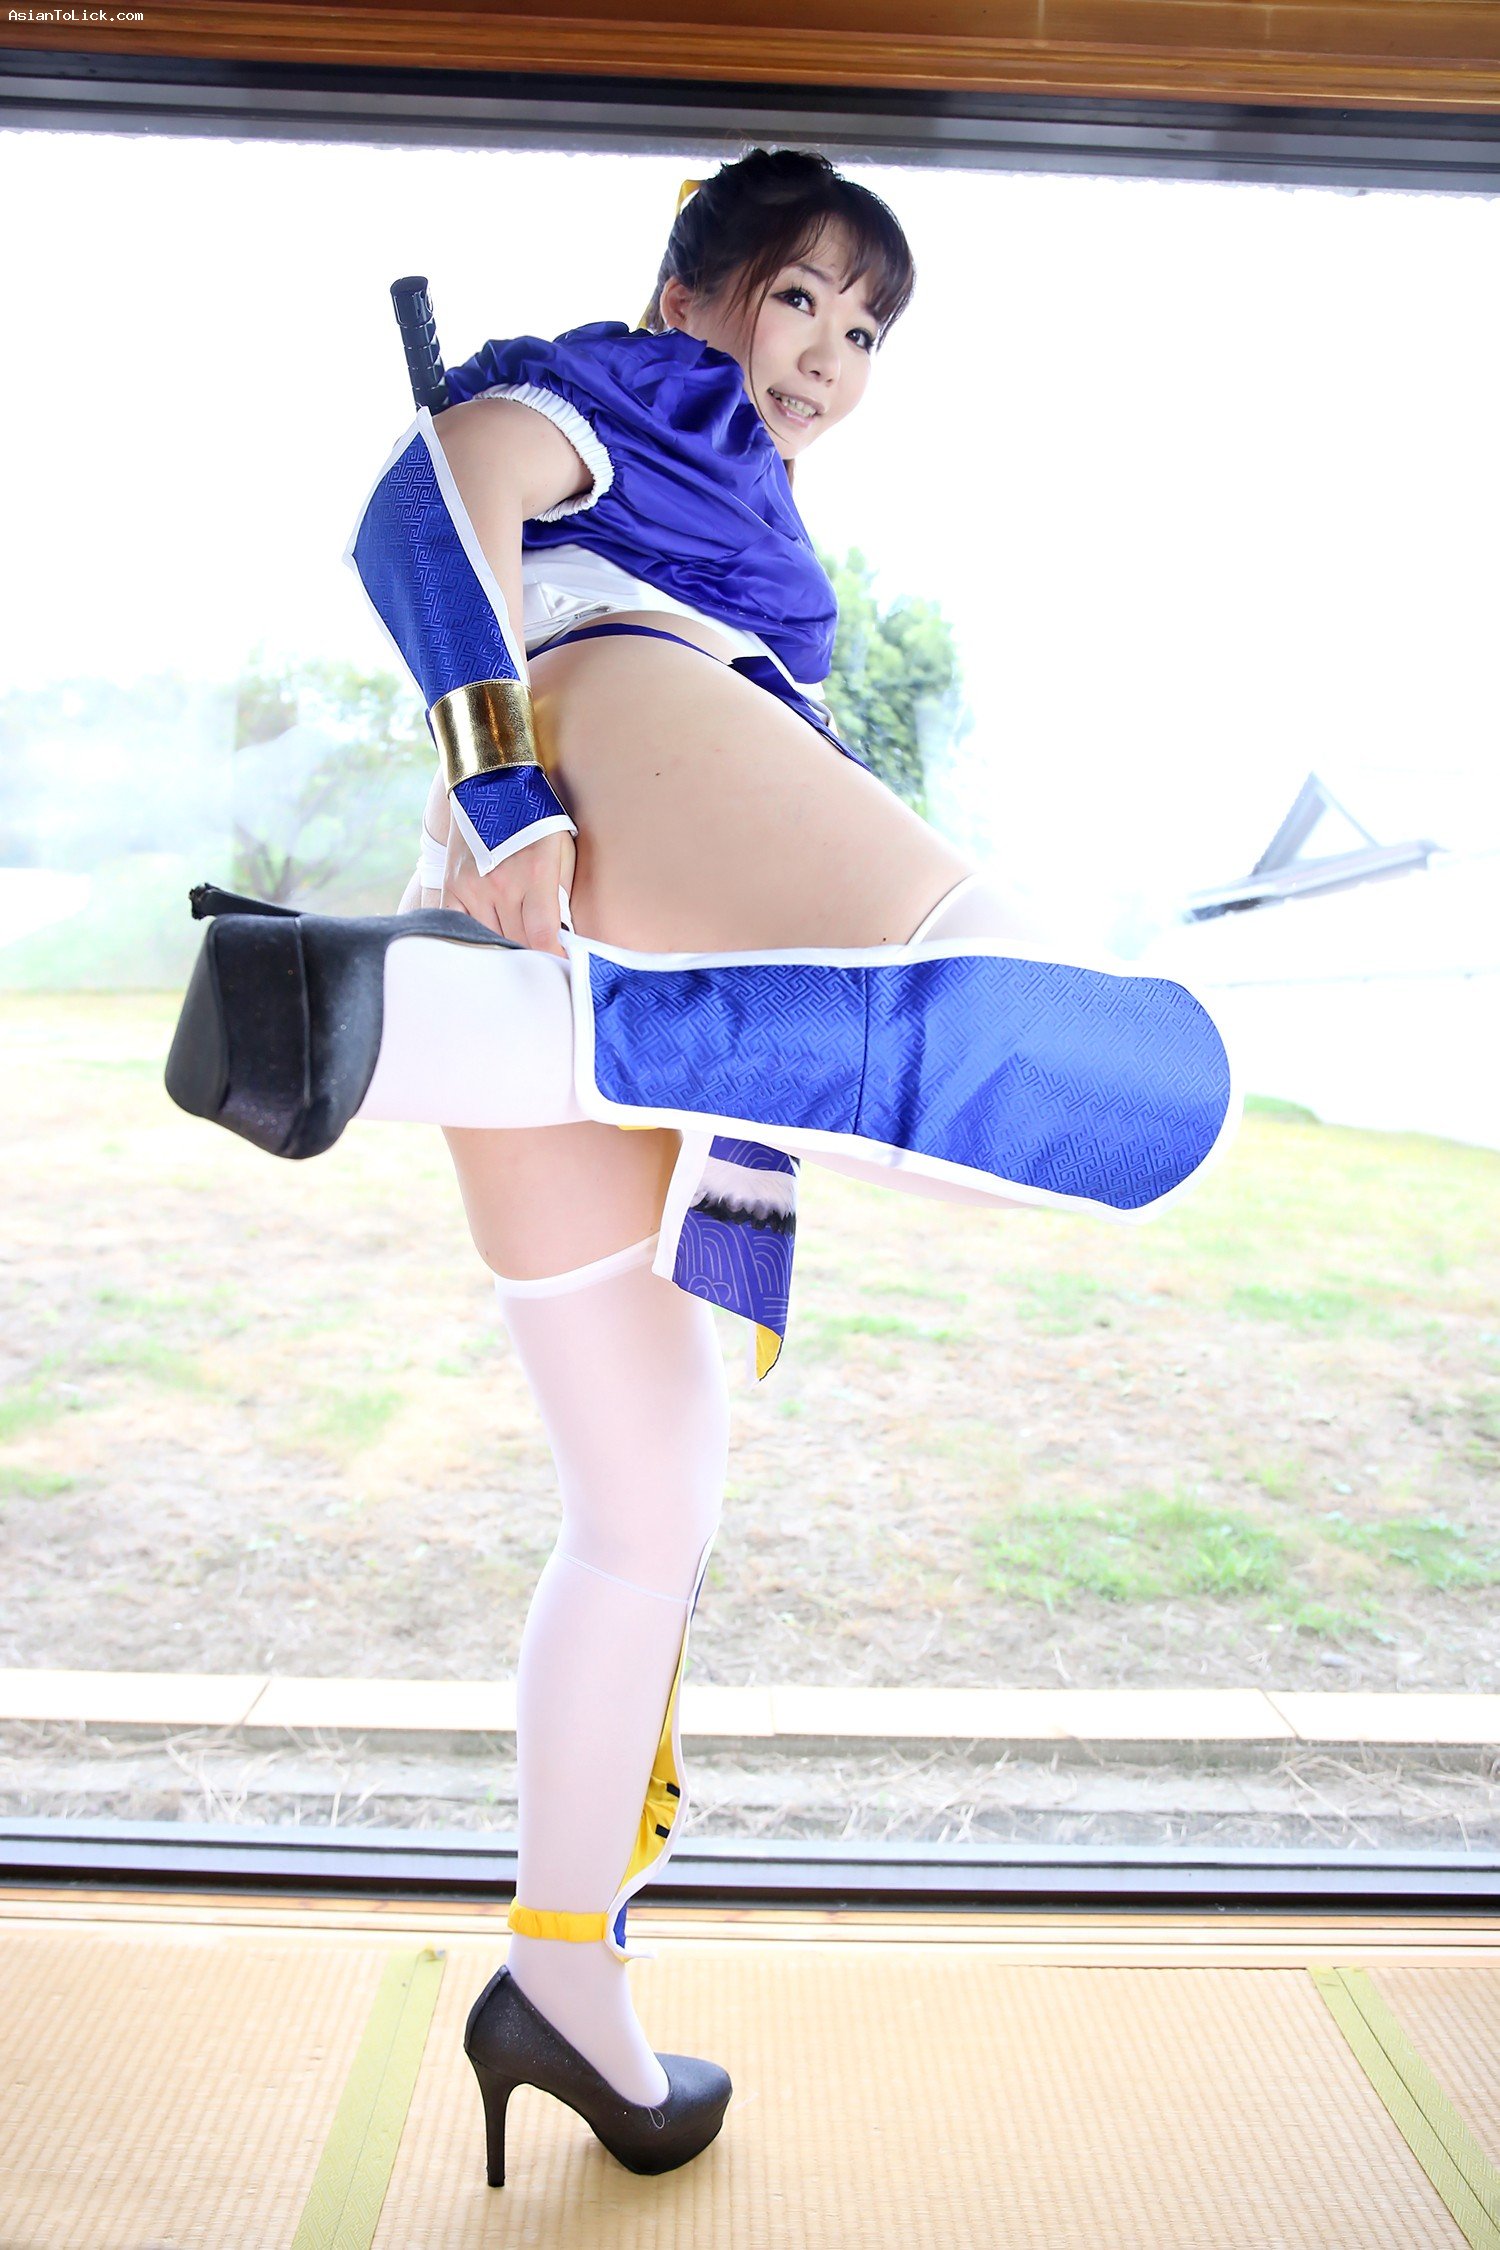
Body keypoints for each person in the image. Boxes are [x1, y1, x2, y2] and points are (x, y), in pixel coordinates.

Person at [166, 147, 1237, 2187]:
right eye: (796, 295)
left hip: (547, 927)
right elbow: (422, 498)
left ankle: (561, 1987)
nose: (825, 353)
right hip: (604, 772)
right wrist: (497, 772)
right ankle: (461, 1023)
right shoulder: (646, 388)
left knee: (643, 1514)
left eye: (866, 327)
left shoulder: (735, 468)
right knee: (1125, 1075)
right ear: (691, 296)